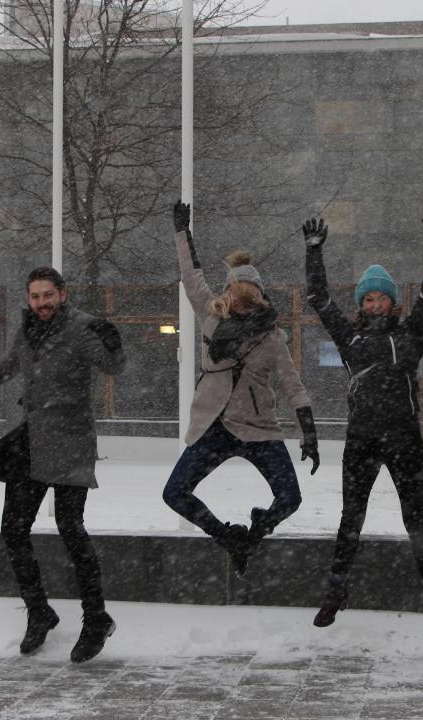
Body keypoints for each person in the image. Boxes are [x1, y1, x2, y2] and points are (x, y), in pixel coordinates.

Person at [303, 206, 423, 636]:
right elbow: (319, 299)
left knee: (416, 520)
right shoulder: (349, 337)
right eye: (367, 299)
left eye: (380, 297)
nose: (373, 304)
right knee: (351, 518)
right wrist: (314, 252)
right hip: (362, 439)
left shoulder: (410, 333)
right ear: (361, 305)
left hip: (405, 438)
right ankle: (336, 592)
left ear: (392, 302)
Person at [0, 267, 126, 663]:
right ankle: (39, 611)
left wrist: (114, 343)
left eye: (48, 295)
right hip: (33, 439)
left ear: (62, 294)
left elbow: (112, 366)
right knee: (13, 528)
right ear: (29, 298)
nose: (42, 303)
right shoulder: (28, 329)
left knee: (70, 528)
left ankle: (96, 618)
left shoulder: (81, 327)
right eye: (35, 296)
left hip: (70, 439)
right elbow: (11, 363)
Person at [165, 201, 319, 577]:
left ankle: (253, 533)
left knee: (290, 498)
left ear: (259, 296)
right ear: (228, 292)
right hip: (214, 426)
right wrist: (182, 233)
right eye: (236, 292)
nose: (241, 300)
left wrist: (309, 432)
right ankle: (227, 537)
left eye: (249, 294)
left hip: (258, 429)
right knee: (174, 492)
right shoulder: (211, 316)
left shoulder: (272, 336)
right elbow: (191, 276)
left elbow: (292, 385)